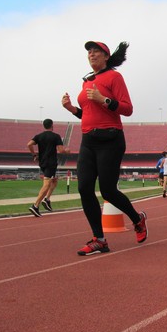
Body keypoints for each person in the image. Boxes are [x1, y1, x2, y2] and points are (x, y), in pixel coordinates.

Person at [61, 40, 148, 255]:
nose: (91, 54)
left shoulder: (114, 77)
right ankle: (99, 239)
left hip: (110, 139)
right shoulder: (87, 81)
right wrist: (72, 108)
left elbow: (127, 109)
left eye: (96, 51)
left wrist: (104, 100)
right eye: (89, 52)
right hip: (88, 140)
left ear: (106, 56)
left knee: (108, 190)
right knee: (84, 189)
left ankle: (137, 219)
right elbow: (89, 114)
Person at [27, 119, 69, 217]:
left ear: (44, 126)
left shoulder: (39, 136)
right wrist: (67, 150)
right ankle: (35, 205)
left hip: (42, 162)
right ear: (52, 125)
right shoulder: (56, 136)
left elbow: (29, 144)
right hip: (51, 163)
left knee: (54, 181)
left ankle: (47, 199)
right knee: (46, 184)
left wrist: (34, 155)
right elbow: (61, 150)